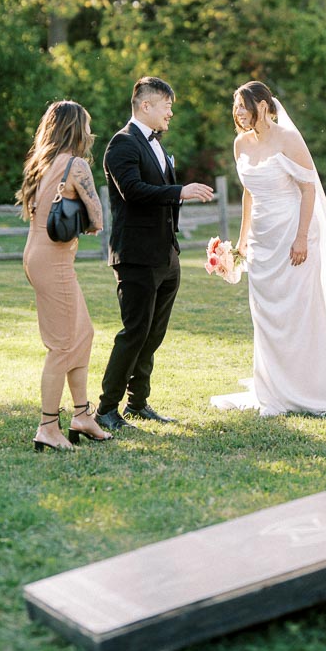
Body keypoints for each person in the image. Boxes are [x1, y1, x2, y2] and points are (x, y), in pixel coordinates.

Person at [210, 82, 326, 417]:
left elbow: (308, 190)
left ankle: (314, 389)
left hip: (293, 232)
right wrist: (243, 240)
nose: (239, 113)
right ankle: (274, 390)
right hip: (262, 240)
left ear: (263, 105)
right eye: (236, 107)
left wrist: (301, 237)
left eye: (244, 106)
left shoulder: (289, 139)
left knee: (301, 312)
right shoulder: (239, 143)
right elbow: (248, 193)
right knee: (267, 316)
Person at [96, 76, 214, 432]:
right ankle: (106, 408)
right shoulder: (122, 143)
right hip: (136, 254)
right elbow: (132, 191)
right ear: (145, 105)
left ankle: (138, 402)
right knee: (134, 331)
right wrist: (181, 191)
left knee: (154, 333)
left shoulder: (156, 144)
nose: (171, 113)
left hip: (165, 254)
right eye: (167, 106)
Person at [18, 99, 111, 452]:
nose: (89, 132)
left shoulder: (41, 164)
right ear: (75, 129)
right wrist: (88, 220)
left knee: (82, 332)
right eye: (85, 125)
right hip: (54, 262)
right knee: (61, 345)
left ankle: (83, 415)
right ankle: (47, 427)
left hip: (36, 255)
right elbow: (98, 220)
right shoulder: (77, 165)